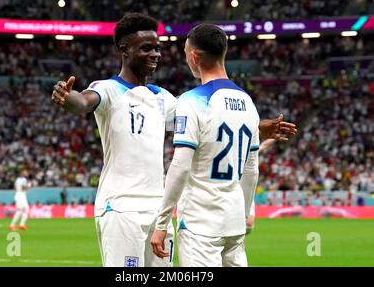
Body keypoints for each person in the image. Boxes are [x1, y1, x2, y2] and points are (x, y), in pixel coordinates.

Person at [151, 24, 290, 266]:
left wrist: (161, 223)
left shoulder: (191, 101)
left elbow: (180, 167)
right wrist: (244, 213)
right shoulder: (248, 103)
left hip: (200, 224)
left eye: (186, 54)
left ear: (194, 57)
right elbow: (251, 171)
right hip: (234, 223)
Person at [52, 13, 176, 267]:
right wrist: (68, 97)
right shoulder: (108, 89)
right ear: (124, 51)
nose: (155, 54)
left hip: (158, 211)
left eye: (157, 48)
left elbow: (203, 125)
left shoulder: (163, 97)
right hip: (121, 207)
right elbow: (84, 101)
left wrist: (258, 130)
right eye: (146, 48)